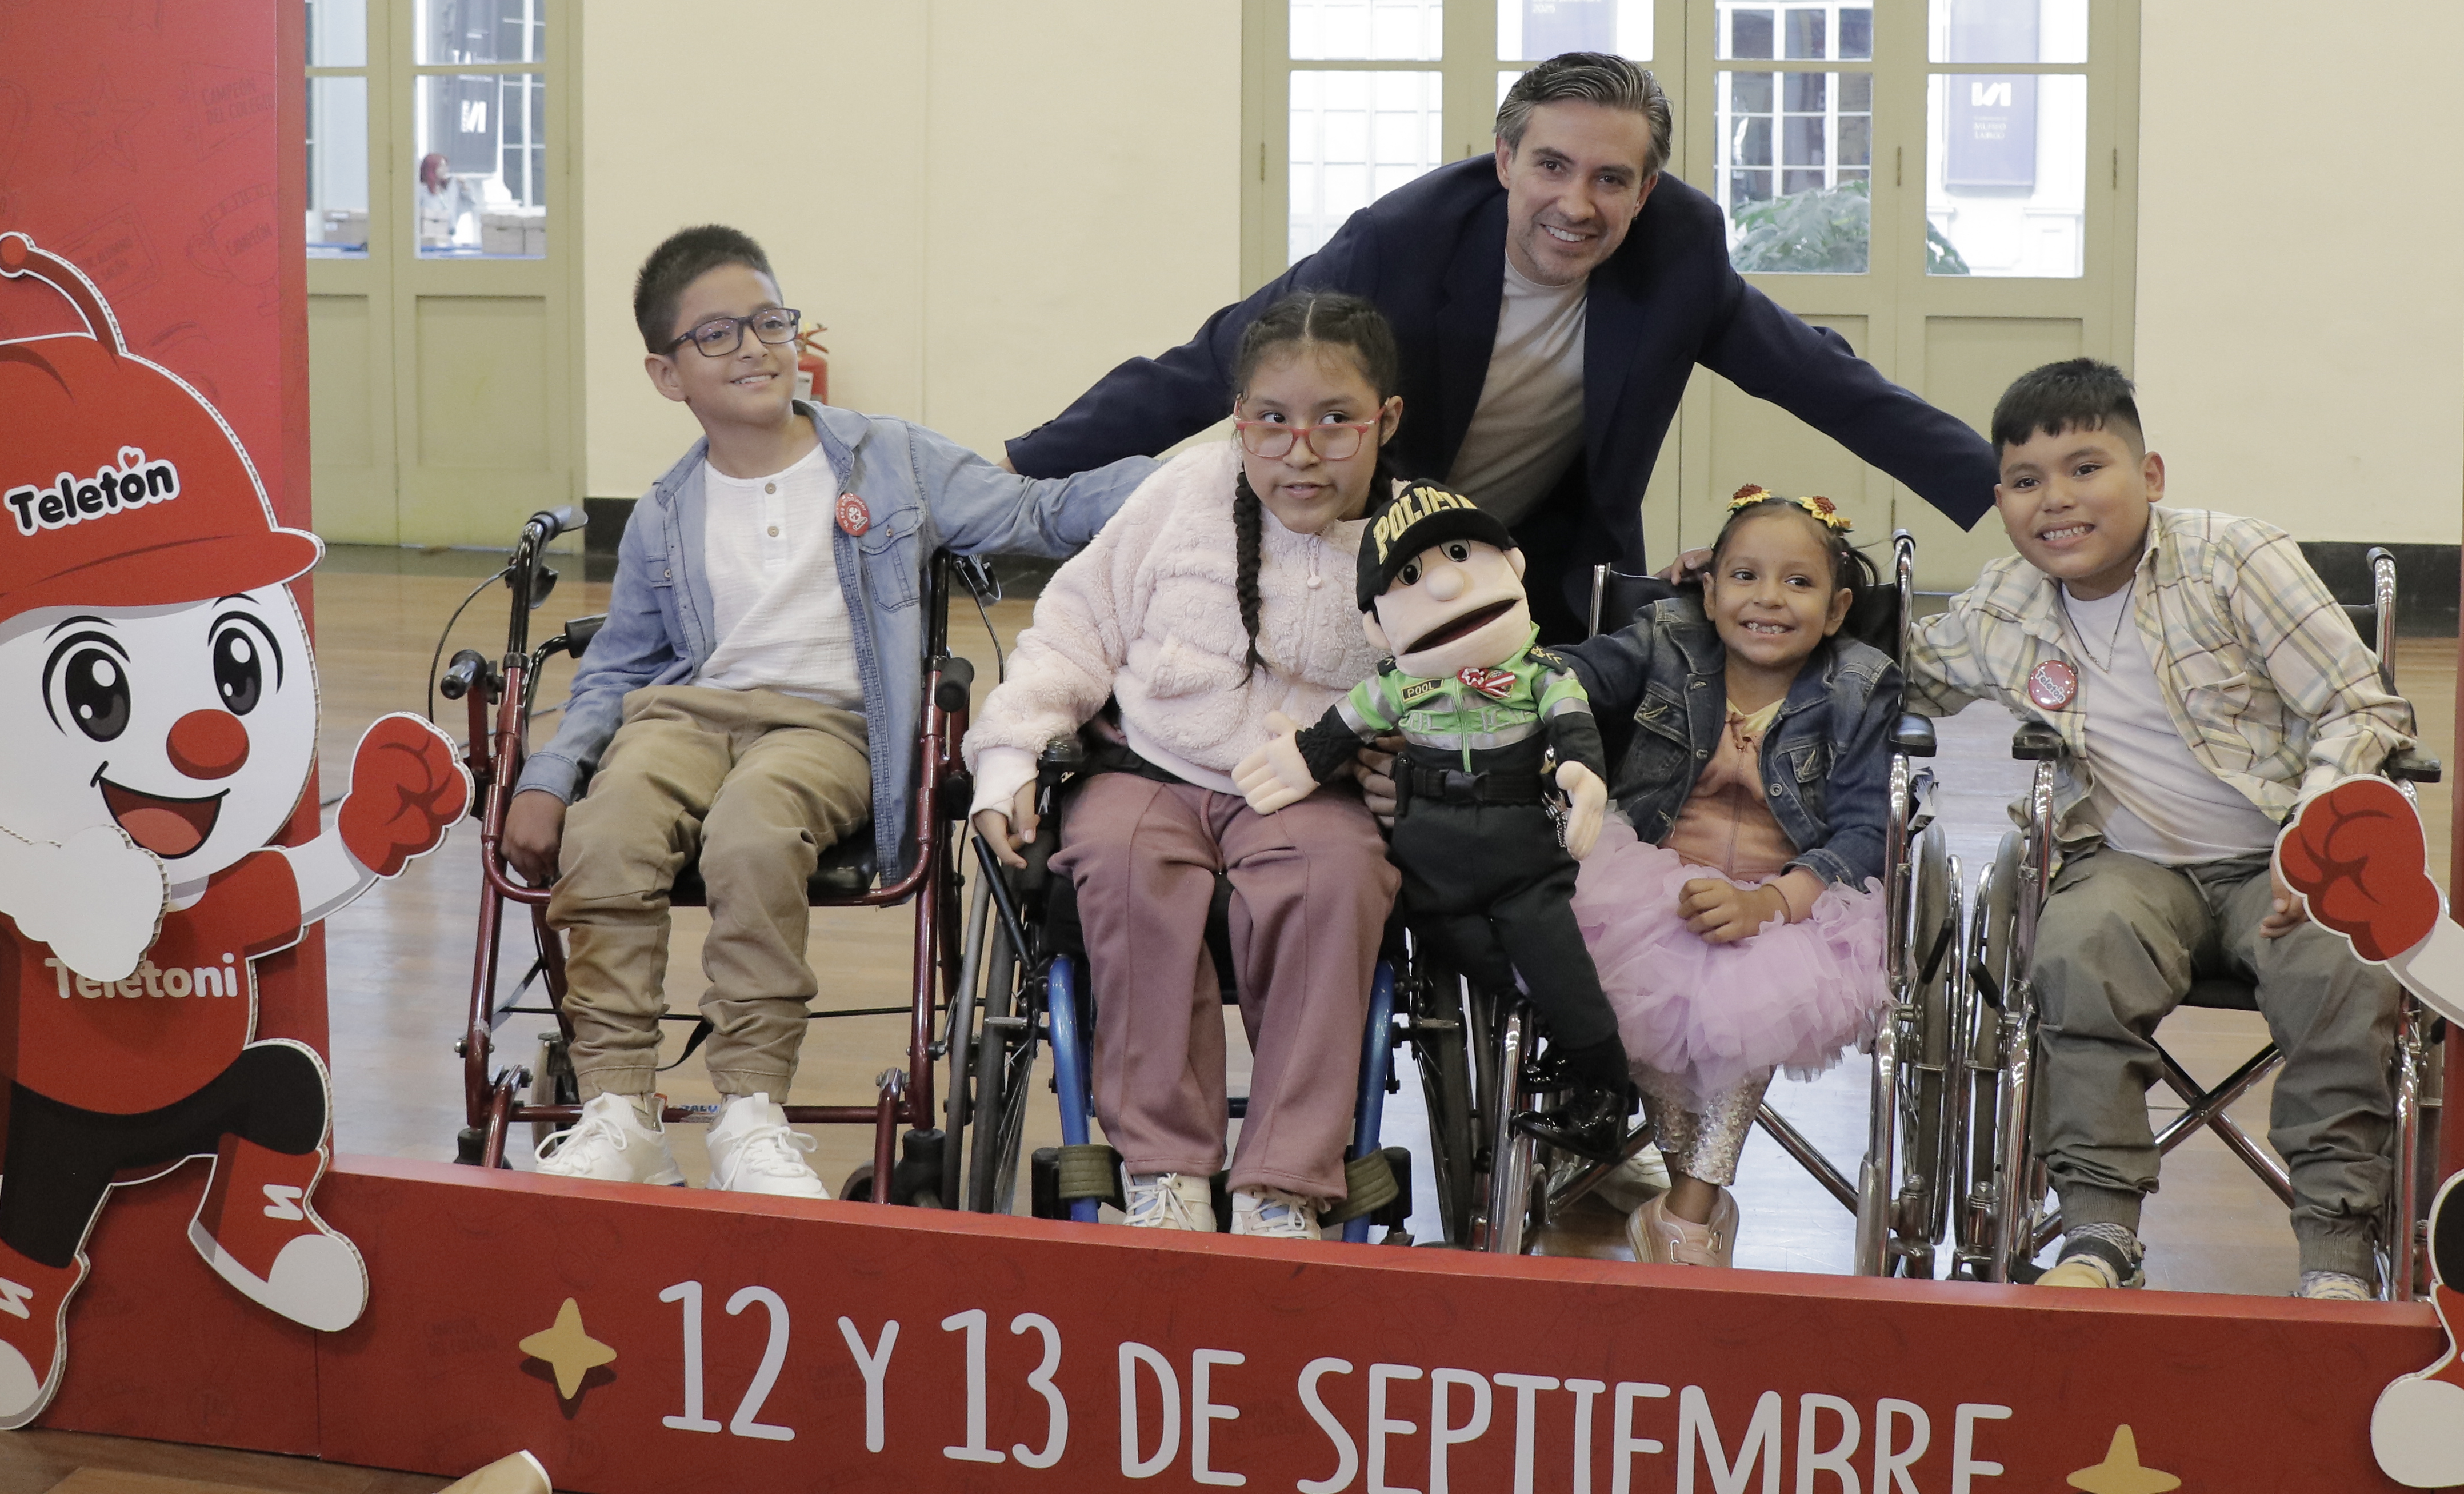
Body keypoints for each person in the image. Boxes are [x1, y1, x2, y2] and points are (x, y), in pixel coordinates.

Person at [503, 225, 1151, 1197]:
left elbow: (1035, 514)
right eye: (718, 334)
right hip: (684, 718)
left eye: (770, 320)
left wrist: (1194, 475)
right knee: (607, 835)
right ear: (666, 373)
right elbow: (619, 669)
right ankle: (618, 1106)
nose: (756, 347)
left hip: (828, 726)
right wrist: (550, 778)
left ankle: (751, 1111)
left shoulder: (888, 460)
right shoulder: (665, 511)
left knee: (753, 836)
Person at [1004, 52, 1999, 639]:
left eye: (1612, 179)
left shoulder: (1678, 255)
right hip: (1370, 551)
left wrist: (2012, 489)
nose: (1577, 204)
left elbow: (1820, 376)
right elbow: (1228, 353)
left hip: (1553, 570)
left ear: (1646, 191)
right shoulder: (1404, 241)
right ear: (1505, 159)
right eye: (1553, 167)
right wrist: (1020, 469)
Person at [1904, 357, 2415, 1300]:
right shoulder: (2002, 607)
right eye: (2025, 482)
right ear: (2001, 500)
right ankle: (2098, 1234)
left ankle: (2337, 1252)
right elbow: (1899, 670)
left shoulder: (2234, 560)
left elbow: (2360, 708)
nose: (2056, 501)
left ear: (2152, 476)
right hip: (2130, 866)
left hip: (2279, 855)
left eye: (2087, 468)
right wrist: (1761, 599)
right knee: (2077, 949)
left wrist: (2319, 835)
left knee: (2345, 967)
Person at [963, 292, 1407, 1241]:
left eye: (1336, 421)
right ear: (1238, 420)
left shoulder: (1415, 539)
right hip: (1151, 763)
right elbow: (1075, 630)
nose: (1301, 449)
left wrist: (1414, 763)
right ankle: (1165, 1170)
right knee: (1121, 868)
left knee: (1338, 877)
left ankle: (1283, 1182)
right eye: (1271, 421)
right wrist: (1007, 755)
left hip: (1306, 782)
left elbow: (1467, 679)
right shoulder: (1181, 495)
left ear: (1386, 421)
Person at [1550, 487, 1899, 1269]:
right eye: (1745, 577)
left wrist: (1768, 904)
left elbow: (1866, 829)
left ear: (1839, 608)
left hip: (1793, 896)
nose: (1768, 600)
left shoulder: (1859, 685)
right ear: (1708, 593)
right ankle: (1686, 1218)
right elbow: (1583, 670)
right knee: (1630, 956)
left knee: (1761, 990)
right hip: (1651, 879)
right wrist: (1520, 677)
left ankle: (1691, 1208)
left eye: (1799, 584)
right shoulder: (1668, 638)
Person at [1236, 483, 1634, 1161]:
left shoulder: (1540, 671)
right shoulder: (1396, 685)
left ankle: (1604, 1089)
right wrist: (1303, 757)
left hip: (1520, 845)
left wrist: (1583, 777)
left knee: (1550, 948)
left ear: (1511, 566)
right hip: (1427, 852)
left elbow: (1572, 722)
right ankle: (1541, 1022)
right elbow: (1339, 729)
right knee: (1454, 949)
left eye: (1459, 554)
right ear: (1378, 626)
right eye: (1414, 576)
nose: (1447, 586)